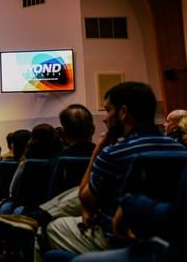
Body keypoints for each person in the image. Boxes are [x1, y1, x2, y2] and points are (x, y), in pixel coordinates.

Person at [43, 82, 186, 256]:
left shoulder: (114, 152)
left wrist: (98, 150)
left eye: (108, 110)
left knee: (48, 228)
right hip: (167, 239)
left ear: (123, 112)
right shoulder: (180, 149)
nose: (105, 117)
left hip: (116, 238)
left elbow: (87, 201)